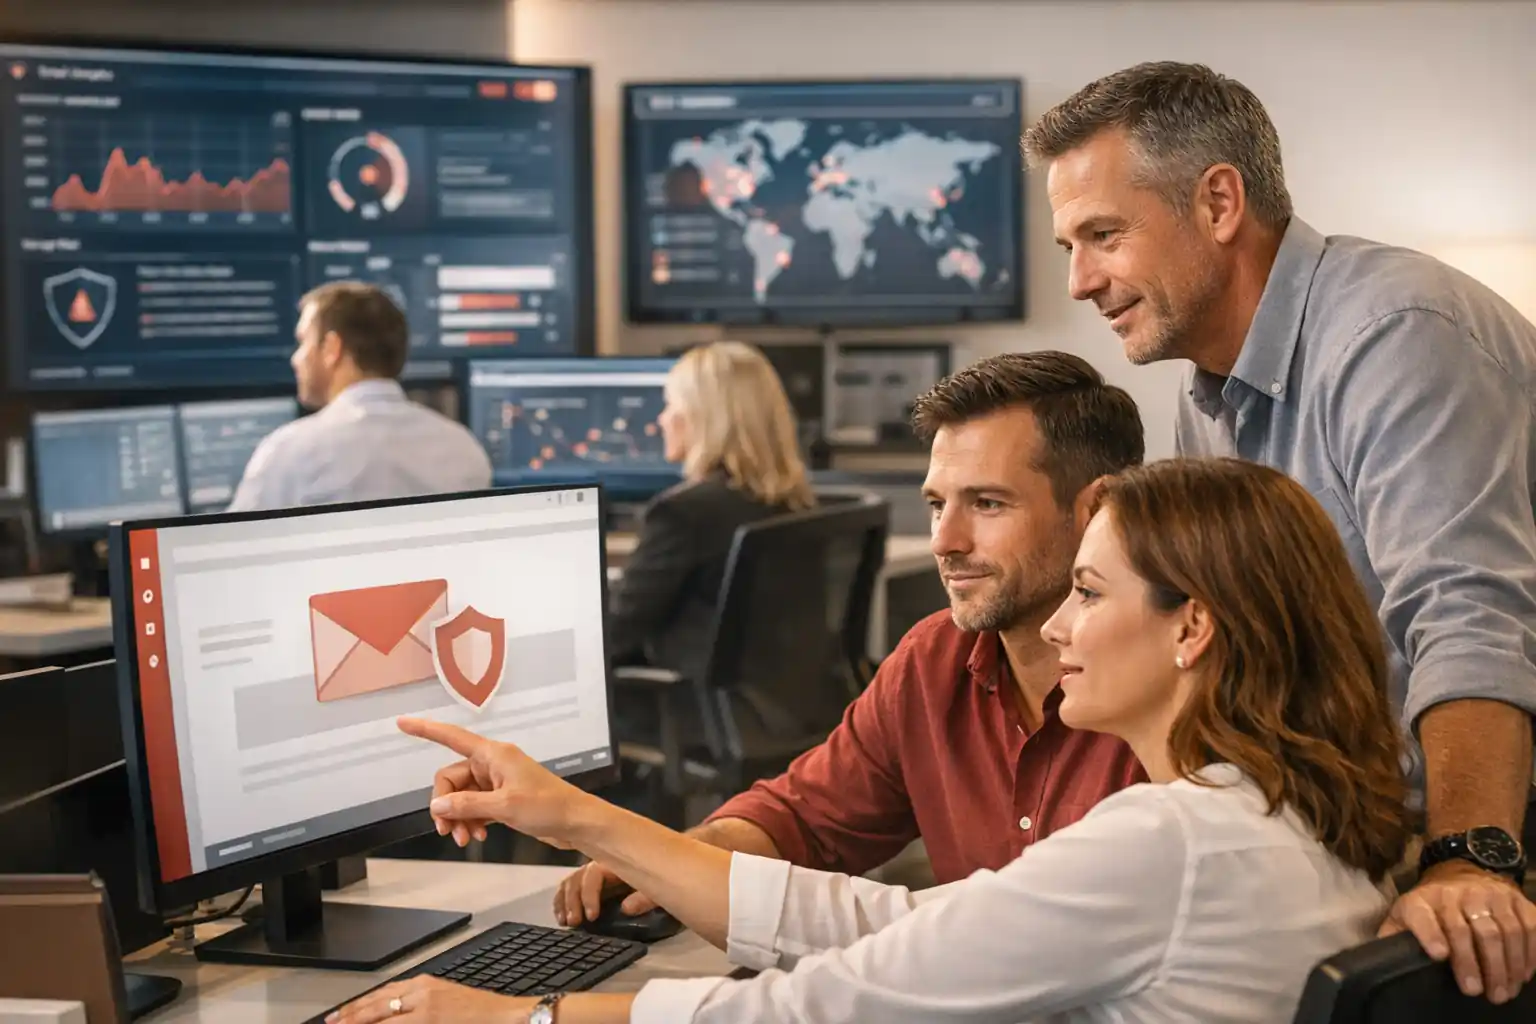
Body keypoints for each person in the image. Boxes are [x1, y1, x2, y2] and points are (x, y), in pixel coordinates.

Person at [330, 458, 1413, 1024]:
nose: (1059, 626)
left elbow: (834, 1003)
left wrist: (532, 1013)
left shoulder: (1169, 842)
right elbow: (892, 919)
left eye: (1088, 591)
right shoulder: (1284, 813)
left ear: (1193, 625)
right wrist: (579, 818)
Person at [1023, 60, 1536, 1003]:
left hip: (1487, 840)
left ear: (1219, 201)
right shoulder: (1207, 397)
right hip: (1348, 840)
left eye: (1103, 235)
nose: (1081, 280)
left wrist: (1468, 860)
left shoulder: (1396, 332)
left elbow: (1471, 616)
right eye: (1071, 244)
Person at [559, 351, 1148, 927]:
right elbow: (802, 820)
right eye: (937, 505)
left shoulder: (1176, 684)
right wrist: (666, 860)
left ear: (1095, 509)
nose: (946, 541)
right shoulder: (933, 660)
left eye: (988, 503)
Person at [606, 341, 815, 686]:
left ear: (702, 418)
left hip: (684, 709)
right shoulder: (793, 500)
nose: (662, 419)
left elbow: (615, 634)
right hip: (778, 707)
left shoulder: (682, 514)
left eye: (671, 405)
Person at [227, 281, 491, 511]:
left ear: (332, 348)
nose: (296, 359)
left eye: (303, 341)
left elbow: (232, 553)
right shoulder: (464, 448)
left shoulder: (291, 452)